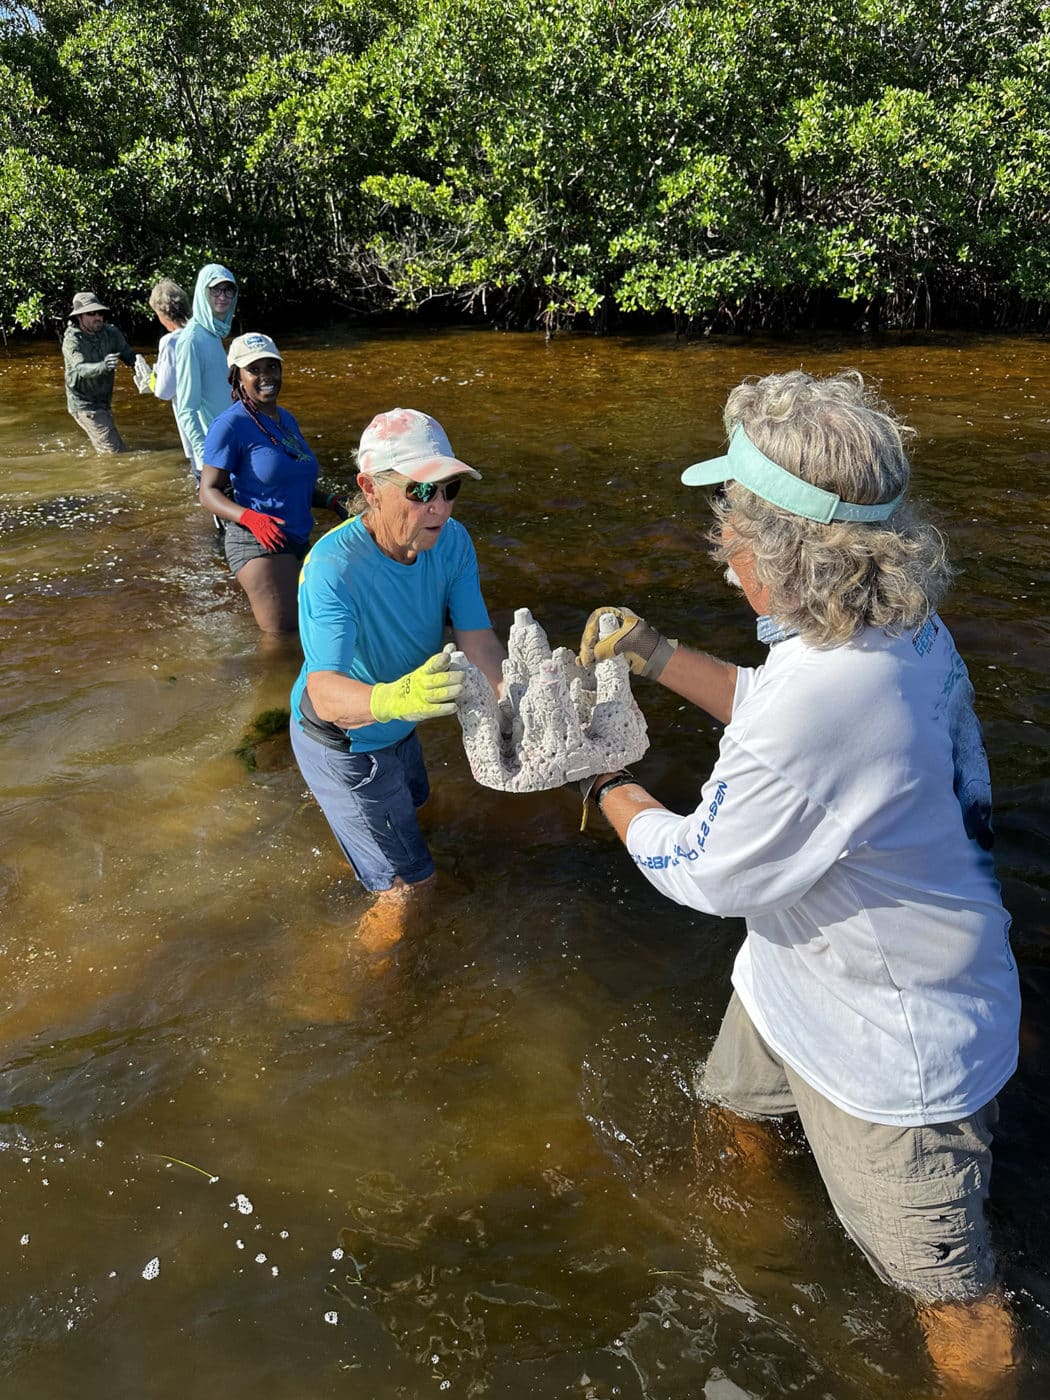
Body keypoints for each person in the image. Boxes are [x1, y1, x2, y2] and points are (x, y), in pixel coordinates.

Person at [579, 370, 1021, 1399]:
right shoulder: (892, 624)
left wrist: (607, 782)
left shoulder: (825, 697)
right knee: (735, 1111)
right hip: (798, 979)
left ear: (785, 549)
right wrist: (654, 651)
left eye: (732, 517)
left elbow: (702, 866)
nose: (720, 537)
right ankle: (757, 1249)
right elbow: (779, 712)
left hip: (893, 1053)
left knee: (954, 1294)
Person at [290, 407, 506, 945]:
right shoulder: (331, 569)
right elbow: (325, 692)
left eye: (449, 488)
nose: (438, 507)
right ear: (370, 488)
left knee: (420, 810)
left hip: (399, 719)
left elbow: (477, 640)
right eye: (419, 491)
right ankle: (345, 1008)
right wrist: (397, 697)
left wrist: (509, 704)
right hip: (345, 739)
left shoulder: (452, 542)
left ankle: (366, 854)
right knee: (409, 891)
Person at [198, 332, 347, 635]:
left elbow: (291, 481)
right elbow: (208, 492)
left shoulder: (286, 419)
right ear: (237, 377)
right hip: (258, 541)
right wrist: (250, 518)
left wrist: (331, 500)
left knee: (328, 620)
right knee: (285, 637)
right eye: (254, 370)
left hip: (297, 537)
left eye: (272, 367)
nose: (266, 376)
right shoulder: (229, 425)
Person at [174, 263, 238, 480]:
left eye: (228, 290)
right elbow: (186, 409)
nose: (223, 296)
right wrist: (206, 458)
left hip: (229, 446)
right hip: (213, 457)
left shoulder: (214, 332)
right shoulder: (191, 339)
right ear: (203, 292)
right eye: (215, 290)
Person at [61, 291, 137, 453]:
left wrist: (146, 370)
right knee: (115, 453)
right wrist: (103, 365)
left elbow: (129, 355)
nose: (98, 317)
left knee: (108, 445)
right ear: (79, 317)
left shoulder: (111, 333)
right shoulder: (72, 341)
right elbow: (81, 369)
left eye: (100, 313)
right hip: (84, 403)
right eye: (91, 313)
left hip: (103, 400)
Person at [147, 278, 193, 460]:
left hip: (194, 427)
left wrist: (151, 380)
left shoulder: (170, 341)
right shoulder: (205, 332)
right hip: (220, 419)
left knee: (204, 478)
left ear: (162, 313)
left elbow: (164, 391)